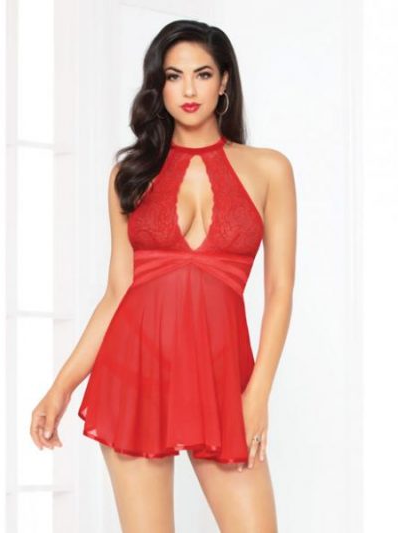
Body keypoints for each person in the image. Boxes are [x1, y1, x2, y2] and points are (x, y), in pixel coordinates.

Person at [30, 19, 296, 533]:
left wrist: (258, 393)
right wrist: (61, 387)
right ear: (159, 84)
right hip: (133, 376)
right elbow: (118, 292)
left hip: (222, 382)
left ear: (224, 81)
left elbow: (280, 290)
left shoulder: (269, 169)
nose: (189, 90)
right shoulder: (129, 175)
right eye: (174, 76)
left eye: (203, 74)